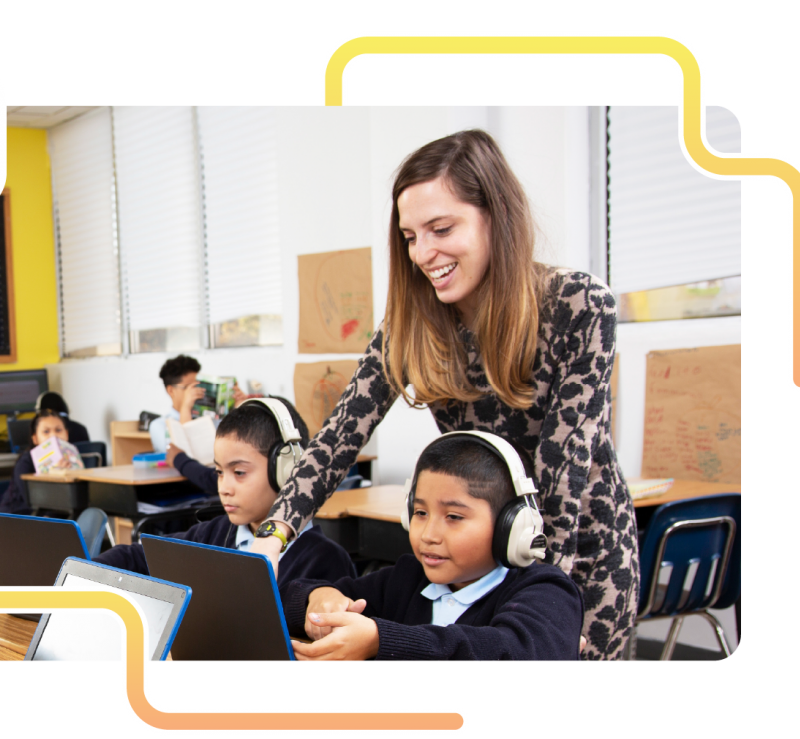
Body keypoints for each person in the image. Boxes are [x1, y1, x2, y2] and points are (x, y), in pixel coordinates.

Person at [251, 130, 639, 662]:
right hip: (475, 546)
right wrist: (272, 539)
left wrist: (557, 599)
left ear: (495, 217)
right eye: (411, 236)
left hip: (577, 545)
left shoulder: (578, 304)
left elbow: (564, 466)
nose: (424, 254)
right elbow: (339, 438)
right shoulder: (413, 326)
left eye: (441, 228)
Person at [284, 434, 582, 662]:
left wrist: (381, 640)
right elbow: (288, 598)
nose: (428, 534)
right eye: (420, 512)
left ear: (511, 526)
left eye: (453, 517)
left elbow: (511, 651)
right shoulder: (408, 579)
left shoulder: (547, 591)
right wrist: (318, 597)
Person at [94, 397, 356, 587]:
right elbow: (141, 557)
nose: (224, 488)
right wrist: (81, 570)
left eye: (239, 473)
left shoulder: (326, 559)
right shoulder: (214, 534)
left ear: (287, 471)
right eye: (219, 472)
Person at [149, 355, 250, 494]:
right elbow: (185, 454)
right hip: (182, 489)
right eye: (188, 388)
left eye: (198, 386)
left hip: (215, 486)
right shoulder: (160, 425)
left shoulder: (212, 420)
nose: (196, 393)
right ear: (171, 390)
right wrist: (186, 407)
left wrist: (241, 407)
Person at [0, 409, 75, 515]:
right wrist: (55, 474)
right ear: (35, 439)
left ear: (67, 434)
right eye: (46, 432)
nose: (53, 436)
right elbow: (37, 501)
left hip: (54, 517)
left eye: (58, 430)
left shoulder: (72, 458)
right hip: (17, 518)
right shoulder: (25, 462)